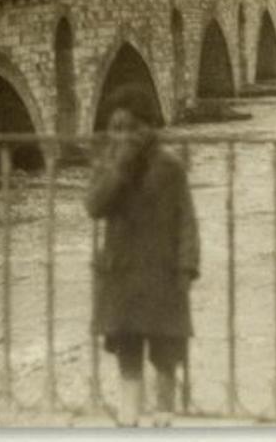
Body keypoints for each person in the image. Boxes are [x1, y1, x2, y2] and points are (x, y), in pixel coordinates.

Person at [85, 84, 199, 428]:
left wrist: (187, 266)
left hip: (163, 276)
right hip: (122, 275)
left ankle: (164, 420)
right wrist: (118, 170)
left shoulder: (170, 167)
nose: (123, 136)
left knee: (166, 355)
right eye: (115, 128)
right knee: (127, 351)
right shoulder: (108, 166)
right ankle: (129, 419)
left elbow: (187, 220)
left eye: (131, 127)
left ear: (149, 127)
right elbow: (94, 206)